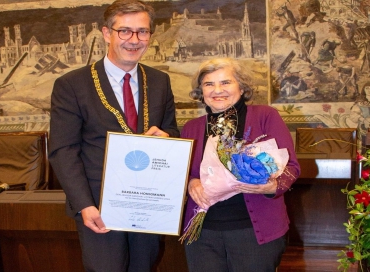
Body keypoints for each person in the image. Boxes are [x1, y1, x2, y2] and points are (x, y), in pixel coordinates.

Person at [48, 1, 179, 271]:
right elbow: (63, 150)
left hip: (148, 202)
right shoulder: (71, 85)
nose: (134, 40)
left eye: (142, 32)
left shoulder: (159, 81)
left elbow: (173, 132)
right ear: (107, 33)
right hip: (100, 207)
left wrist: (166, 138)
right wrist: (84, 205)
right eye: (125, 31)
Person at [181, 58, 300, 271]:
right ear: (201, 92)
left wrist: (272, 186)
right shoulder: (191, 127)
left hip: (253, 233)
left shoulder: (265, 116)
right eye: (209, 84)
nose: (217, 90)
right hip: (203, 234)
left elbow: (291, 168)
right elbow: (183, 173)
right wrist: (191, 183)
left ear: (242, 87)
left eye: (226, 82)